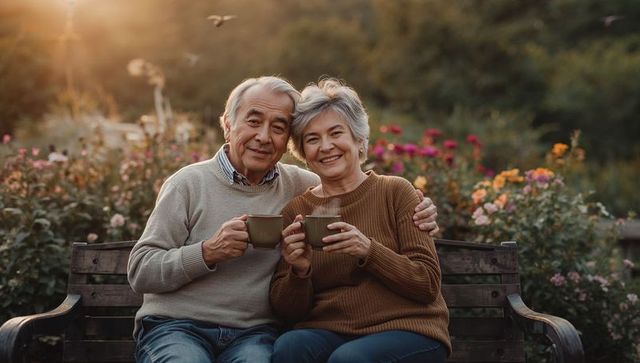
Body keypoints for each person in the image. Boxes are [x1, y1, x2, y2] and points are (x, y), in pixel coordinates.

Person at [127, 76, 440, 363]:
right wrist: (207, 252)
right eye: (253, 121)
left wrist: (419, 210)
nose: (264, 137)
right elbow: (141, 270)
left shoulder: (303, 188)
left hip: (252, 334)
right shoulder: (189, 184)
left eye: (278, 127)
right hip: (179, 328)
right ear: (228, 124)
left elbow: (356, 188)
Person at [270, 78, 451, 363]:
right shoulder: (298, 210)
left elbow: (426, 284)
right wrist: (300, 271)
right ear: (303, 153)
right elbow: (288, 312)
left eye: (335, 133)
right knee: (289, 348)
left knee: (349, 360)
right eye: (313, 139)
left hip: (407, 329)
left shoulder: (396, 192)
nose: (326, 146)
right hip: (329, 331)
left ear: (358, 139)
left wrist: (369, 249)